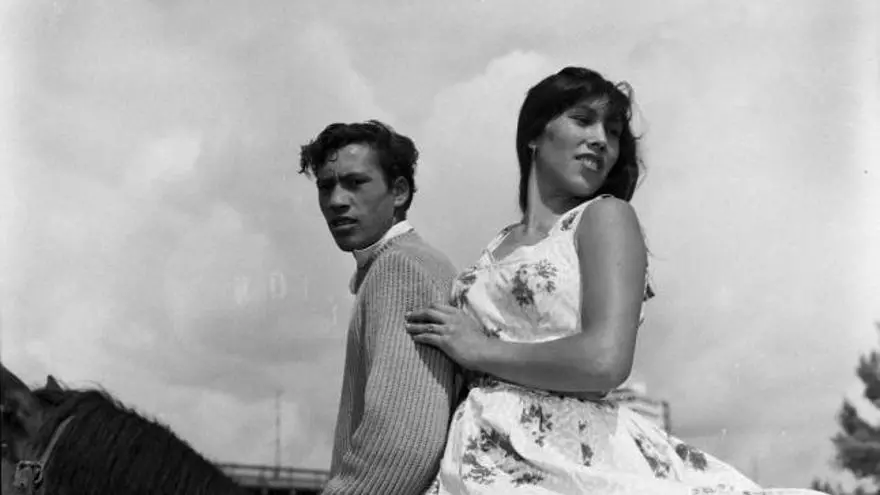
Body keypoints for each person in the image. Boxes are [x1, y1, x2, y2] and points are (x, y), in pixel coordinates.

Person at [405, 67, 823, 494]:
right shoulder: (493, 248)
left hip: (568, 458)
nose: (601, 139)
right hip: (473, 455)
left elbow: (604, 361)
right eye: (583, 120)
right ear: (534, 134)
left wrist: (480, 350)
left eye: (613, 131)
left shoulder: (604, 217)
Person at [299, 120, 461, 495]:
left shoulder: (401, 268)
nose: (336, 200)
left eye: (355, 183)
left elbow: (403, 444)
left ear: (399, 191)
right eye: (325, 186)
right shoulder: (403, 264)